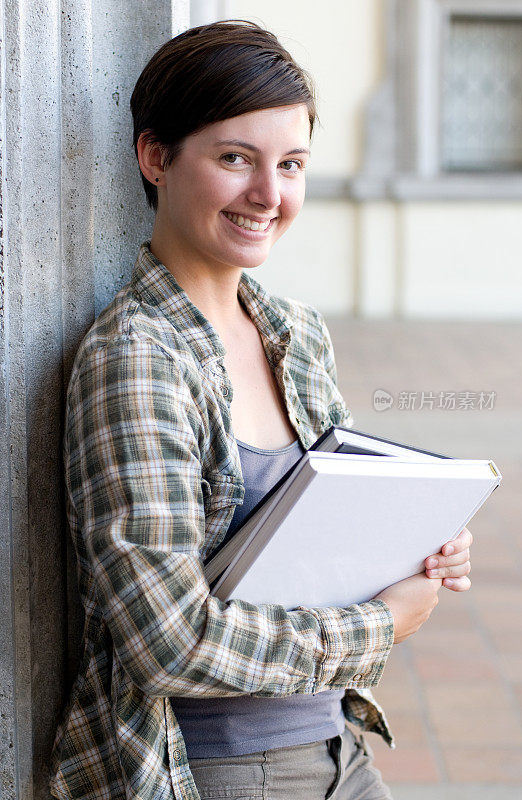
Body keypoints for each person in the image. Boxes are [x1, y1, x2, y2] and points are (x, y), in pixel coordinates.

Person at [50, 20, 473, 800]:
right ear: (155, 157)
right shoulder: (137, 360)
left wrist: (413, 543)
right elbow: (166, 642)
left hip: (336, 741)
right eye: (234, 158)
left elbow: (318, 536)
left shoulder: (295, 334)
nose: (268, 196)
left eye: (291, 165)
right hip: (213, 769)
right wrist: (378, 626)